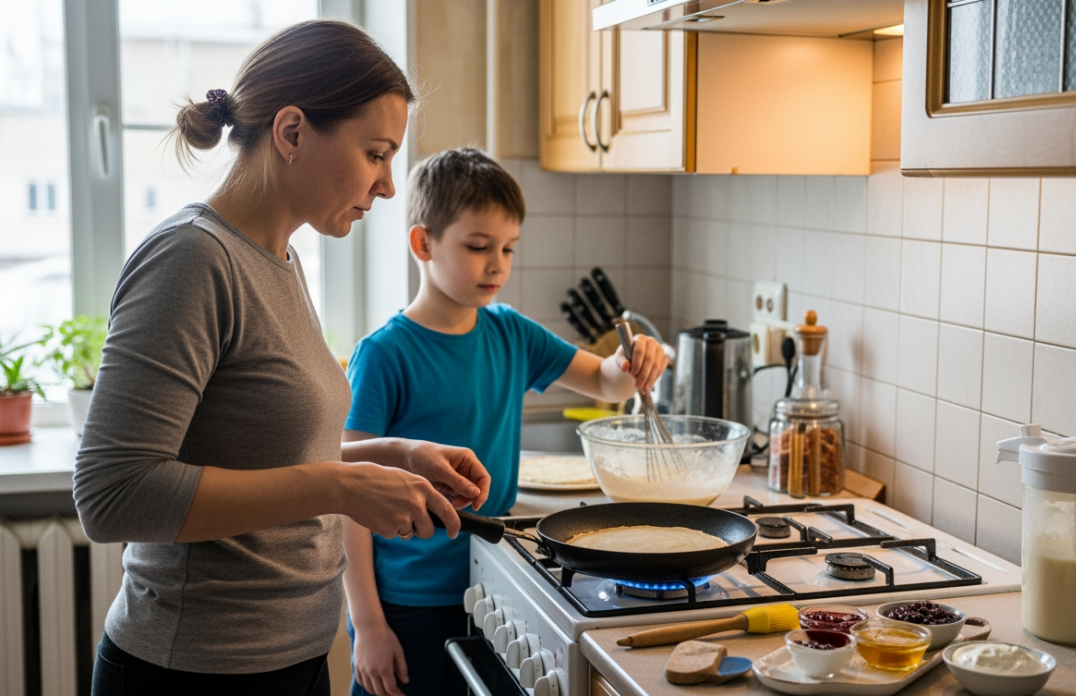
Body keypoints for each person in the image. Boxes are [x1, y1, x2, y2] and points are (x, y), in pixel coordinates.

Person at [73, 20, 490, 695]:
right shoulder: (191, 258)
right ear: (292, 132)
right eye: (376, 153)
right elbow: (113, 494)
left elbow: (257, 455)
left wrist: (393, 455)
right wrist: (338, 486)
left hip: (286, 661)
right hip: (190, 673)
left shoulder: (280, 258)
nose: (387, 185)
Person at [342, 148, 669, 696]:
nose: (497, 264)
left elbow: (608, 382)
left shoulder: (510, 332)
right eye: (478, 247)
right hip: (409, 602)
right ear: (424, 243)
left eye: (509, 248)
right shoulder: (384, 355)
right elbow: (347, 498)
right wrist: (368, 626)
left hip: (498, 583)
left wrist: (638, 358)